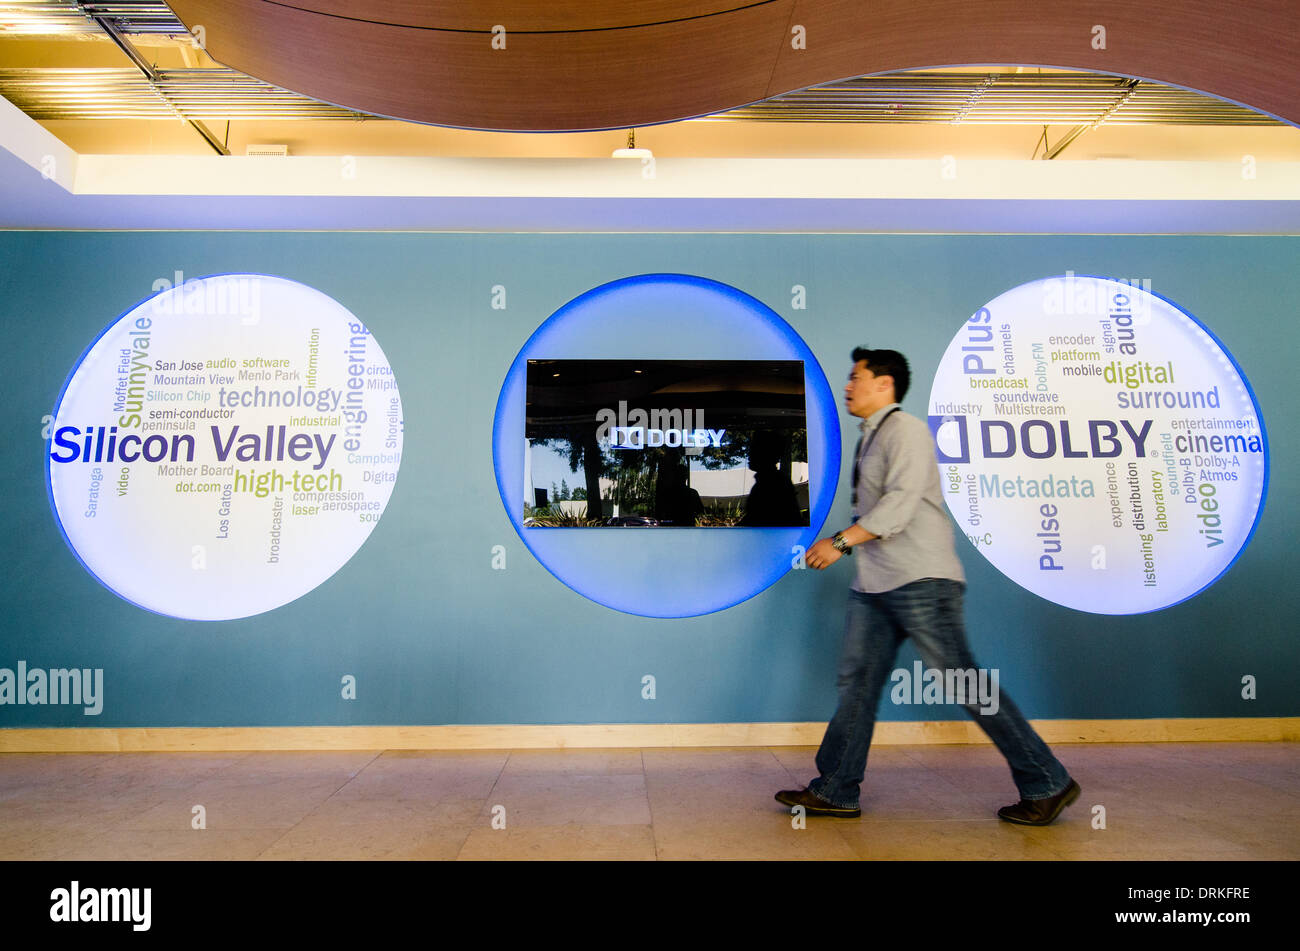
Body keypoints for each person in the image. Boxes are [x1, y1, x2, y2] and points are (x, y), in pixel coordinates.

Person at [775, 347, 1079, 824]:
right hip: (876, 584)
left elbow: (899, 505)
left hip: (921, 581)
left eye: (857, 377)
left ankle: (1048, 781)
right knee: (858, 685)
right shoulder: (870, 438)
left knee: (965, 682)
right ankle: (836, 788)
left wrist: (840, 542)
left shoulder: (907, 432)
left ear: (885, 384)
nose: (848, 386)